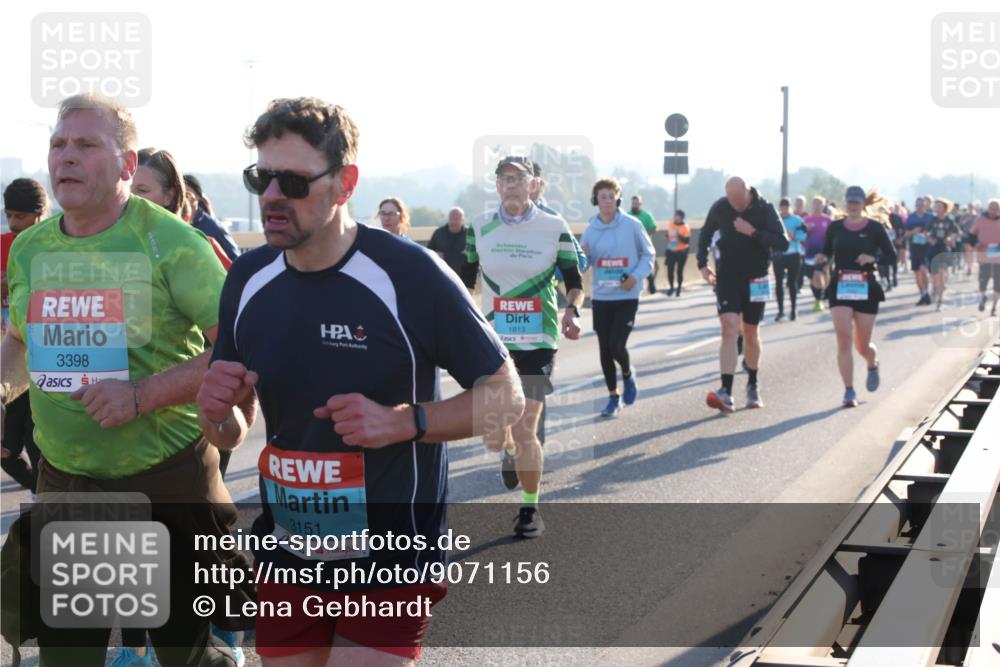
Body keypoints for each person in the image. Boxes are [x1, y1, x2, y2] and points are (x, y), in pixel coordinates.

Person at [198, 97, 522, 665]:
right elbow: (231, 431)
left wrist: (405, 422)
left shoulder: (410, 275)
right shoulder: (247, 277)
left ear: (344, 183)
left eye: (293, 182)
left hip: (390, 557)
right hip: (287, 552)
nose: (272, 196)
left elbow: (507, 399)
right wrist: (216, 413)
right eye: (262, 178)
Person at [0, 93, 250, 667]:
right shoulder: (31, 248)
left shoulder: (175, 244)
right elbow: (19, 341)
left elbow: (235, 353)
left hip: (166, 484)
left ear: (127, 164)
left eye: (87, 144)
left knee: (177, 656)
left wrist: (141, 396)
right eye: (58, 145)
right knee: (69, 656)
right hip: (66, 483)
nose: (66, 157)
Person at [461, 155, 583, 537]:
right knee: (498, 432)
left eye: (519, 178)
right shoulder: (478, 228)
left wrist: (573, 311)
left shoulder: (554, 226)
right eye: (504, 178)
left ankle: (530, 510)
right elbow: (464, 282)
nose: (511, 183)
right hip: (493, 339)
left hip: (538, 338)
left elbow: (573, 279)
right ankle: (509, 450)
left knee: (528, 424)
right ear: (497, 186)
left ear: (533, 185)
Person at [697, 177, 788, 413]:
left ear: (748, 194)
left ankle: (753, 384)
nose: (735, 206)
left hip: (757, 277)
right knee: (728, 328)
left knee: (750, 331)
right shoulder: (720, 207)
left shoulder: (764, 208)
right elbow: (705, 234)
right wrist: (702, 264)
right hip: (727, 277)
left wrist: (754, 232)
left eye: (739, 202)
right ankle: (725, 391)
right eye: (731, 201)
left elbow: (783, 242)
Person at [812, 187, 895, 407]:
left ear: (862, 204)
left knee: (862, 345)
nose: (853, 206)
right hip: (841, 286)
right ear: (845, 202)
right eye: (850, 202)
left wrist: (872, 256)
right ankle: (849, 391)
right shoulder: (836, 227)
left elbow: (891, 255)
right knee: (844, 338)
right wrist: (822, 259)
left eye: (857, 202)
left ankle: (872, 362)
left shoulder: (875, 228)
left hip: (866, 287)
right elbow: (828, 251)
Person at [581, 178, 655, 417]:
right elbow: (583, 264)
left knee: (617, 345)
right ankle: (613, 397)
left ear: (618, 199)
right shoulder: (590, 230)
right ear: (596, 201)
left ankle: (627, 374)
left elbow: (649, 254)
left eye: (611, 197)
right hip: (602, 298)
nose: (607, 202)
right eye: (602, 197)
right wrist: (581, 258)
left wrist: (635, 277)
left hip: (626, 295)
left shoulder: (632, 225)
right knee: (604, 349)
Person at [1, 178, 47, 494]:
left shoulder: (55, 246)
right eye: (10, 215)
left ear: (40, 213)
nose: (15, 223)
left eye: (22, 216)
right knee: (5, 449)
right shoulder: (4, 244)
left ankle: (49, 500)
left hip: (46, 361)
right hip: (10, 361)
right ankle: (43, 492)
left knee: (37, 441)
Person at [135, 147, 233, 270]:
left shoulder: (197, 246)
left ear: (168, 196)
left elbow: (235, 282)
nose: (131, 197)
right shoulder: (112, 241)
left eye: (142, 190)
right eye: (126, 189)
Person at [184, 174, 242, 262]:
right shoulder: (176, 225)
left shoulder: (213, 228)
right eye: (181, 193)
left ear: (198, 196)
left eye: (187, 193)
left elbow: (236, 260)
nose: (184, 198)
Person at [926, 198, 963, 310]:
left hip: (944, 249)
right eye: (936, 206)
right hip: (933, 248)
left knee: (942, 274)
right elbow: (925, 232)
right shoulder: (932, 220)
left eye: (940, 206)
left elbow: (959, 232)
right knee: (934, 275)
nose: (937, 208)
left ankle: (940, 301)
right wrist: (930, 239)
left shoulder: (949, 220)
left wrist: (951, 238)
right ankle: (935, 287)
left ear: (945, 209)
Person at [774, 197, 806, 321]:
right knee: (778, 283)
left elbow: (803, 235)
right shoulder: (776, 220)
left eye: (786, 207)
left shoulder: (797, 220)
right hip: (779, 255)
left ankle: (793, 310)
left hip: (793, 253)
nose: (784, 210)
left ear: (789, 207)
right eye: (782, 207)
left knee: (792, 283)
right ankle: (781, 310)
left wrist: (793, 236)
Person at [970, 199, 1000, 315]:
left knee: (998, 284)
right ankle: (983, 297)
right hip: (984, 256)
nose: (993, 210)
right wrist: (976, 244)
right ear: (987, 208)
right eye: (991, 207)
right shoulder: (980, 220)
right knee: (983, 282)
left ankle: (994, 307)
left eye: (996, 208)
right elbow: (971, 235)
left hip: (998, 258)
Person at [802, 196, 832, 312]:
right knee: (811, 278)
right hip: (809, 252)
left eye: (819, 203)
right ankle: (819, 295)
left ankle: (820, 299)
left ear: (823, 205)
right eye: (814, 203)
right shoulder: (806, 219)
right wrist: (806, 231)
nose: (816, 206)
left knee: (818, 274)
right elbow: (800, 235)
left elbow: (832, 236)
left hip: (824, 252)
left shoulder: (828, 220)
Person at [905, 195, 935, 305]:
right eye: (917, 205)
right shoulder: (911, 218)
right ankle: (923, 294)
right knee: (917, 273)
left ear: (925, 205)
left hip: (927, 248)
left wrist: (927, 235)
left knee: (923, 270)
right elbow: (906, 234)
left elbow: (935, 232)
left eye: (921, 205)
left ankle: (926, 292)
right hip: (914, 248)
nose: (919, 207)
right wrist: (914, 232)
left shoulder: (930, 217)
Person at [629, 195, 659, 294]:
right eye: (633, 203)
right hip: (631, 246)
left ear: (640, 204)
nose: (635, 205)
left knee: (646, 264)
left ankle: (651, 283)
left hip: (645, 245)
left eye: (637, 203)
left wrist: (643, 236)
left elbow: (653, 228)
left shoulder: (646, 215)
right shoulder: (627, 215)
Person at [427, 206, 467, 275]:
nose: (453, 222)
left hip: (465, 276)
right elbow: (428, 252)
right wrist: (435, 254)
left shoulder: (470, 235)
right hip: (443, 275)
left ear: (462, 220)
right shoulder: (439, 233)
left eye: (456, 219)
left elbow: (479, 252)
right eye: (451, 219)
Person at [664, 210, 691, 296]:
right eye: (675, 216)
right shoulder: (671, 224)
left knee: (679, 271)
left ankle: (679, 288)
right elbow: (669, 235)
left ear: (681, 218)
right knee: (670, 270)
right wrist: (667, 237)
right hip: (671, 250)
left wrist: (678, 234)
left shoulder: (685, 227)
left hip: (682, 251)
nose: (675, 218)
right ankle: (671, 287)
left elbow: (687, 241)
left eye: (677, 217)